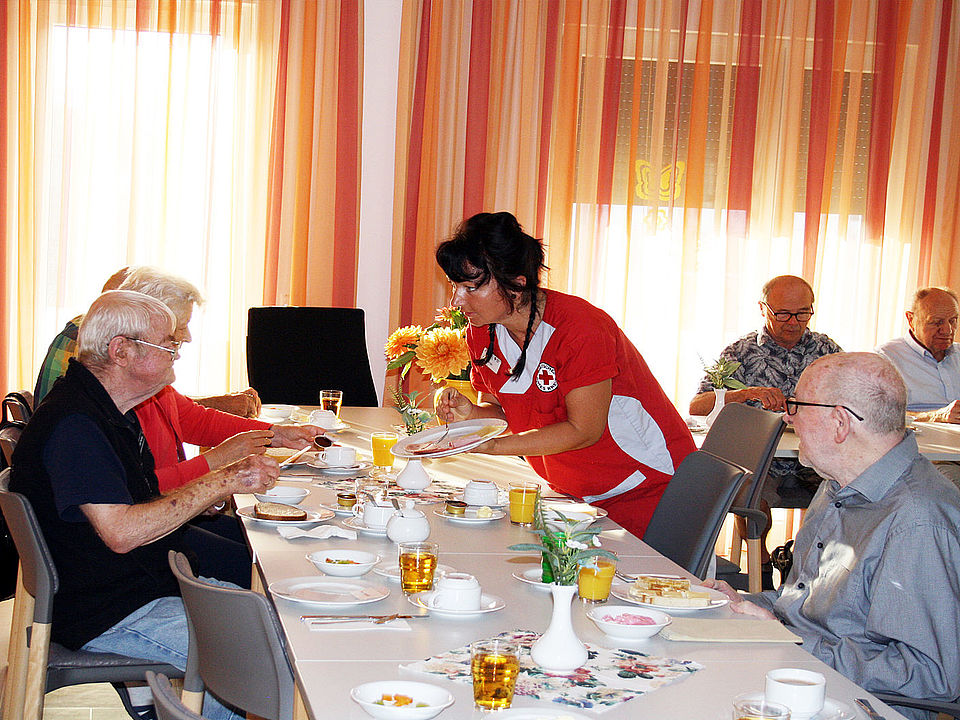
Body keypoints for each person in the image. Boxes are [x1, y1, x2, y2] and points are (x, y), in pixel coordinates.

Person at [10, 290, 287, 720]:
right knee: (256, 657)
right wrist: (226, 478)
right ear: (121, 350)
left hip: (139, 585)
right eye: (169, 345)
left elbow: (143, 499)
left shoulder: (109, 410)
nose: (178, 353)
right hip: (110, 609)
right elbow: (122, 532)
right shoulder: (76, 426)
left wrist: (204, 497)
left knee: (280, 618)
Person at [706, 352, 960, 718]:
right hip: (798, 675)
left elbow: (931, 675)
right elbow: (805, 604)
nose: (787, 416)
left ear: (840, 422)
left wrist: (791, 641)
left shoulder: (917, 520)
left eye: (797, 406)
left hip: (855, 703)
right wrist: (744, 604)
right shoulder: (837, 485)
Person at [434, 211, 695, 539]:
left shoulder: (581, 329)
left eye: (471, 287)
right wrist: (471, 415)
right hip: (576, 497)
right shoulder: (482, 333)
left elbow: (583, 430)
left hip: (648, 490)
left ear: (516, 283)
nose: (457, 300)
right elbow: (506, 413)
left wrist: (492, 447)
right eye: (455, 286)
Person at [690, 275, 842, 573]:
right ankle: (762, 574)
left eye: (803, 313)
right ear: (763, 309)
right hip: (761, 461)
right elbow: (698, 406)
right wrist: (747, 394)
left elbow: (853, 400)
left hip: (816, 459)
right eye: (783, 313)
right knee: (749, 498)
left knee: (851, 498)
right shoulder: (741, 353)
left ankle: (808, 569)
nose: (793, 322)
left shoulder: (827, 351)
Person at [33, 266, 261, 418]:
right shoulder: (94, 343)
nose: (184, 337)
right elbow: (138, 412)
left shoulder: (93, 331)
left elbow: (158, 406)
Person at [876, 286, 960, 423]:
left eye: (953, 320)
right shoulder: (888, 357)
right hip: (919, 438)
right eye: (937, 322)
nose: (947, 330)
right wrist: (935, 416)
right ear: (911, 320)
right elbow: (877, 413)